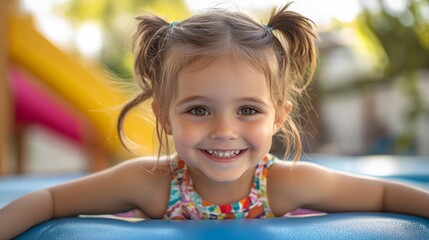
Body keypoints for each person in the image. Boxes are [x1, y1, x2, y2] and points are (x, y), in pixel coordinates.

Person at [1, 3, 428, 239]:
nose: (224, 130)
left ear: (279, 116)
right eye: (199, 110)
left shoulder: (284, 184)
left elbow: (385, 198)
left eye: (248, 110)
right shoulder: (150, 183)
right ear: (164, 116)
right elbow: (50, 201)